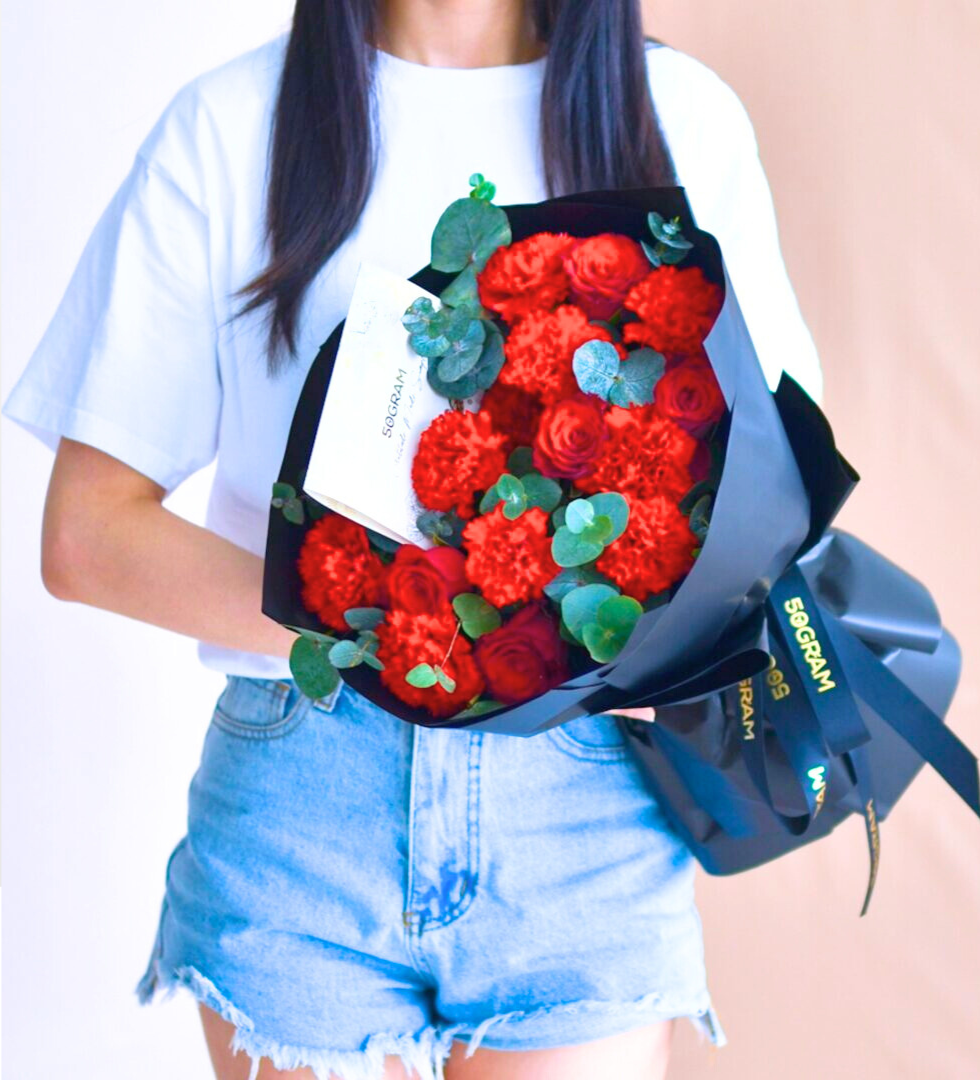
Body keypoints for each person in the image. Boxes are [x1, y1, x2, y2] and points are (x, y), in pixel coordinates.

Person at [1, 1, 824, 1077]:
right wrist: (388, 617)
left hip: (586, 807)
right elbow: (88, 536)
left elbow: (777, 506)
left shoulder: (680, 118)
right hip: (304, 799)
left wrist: (605, 623)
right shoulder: (231, 124)